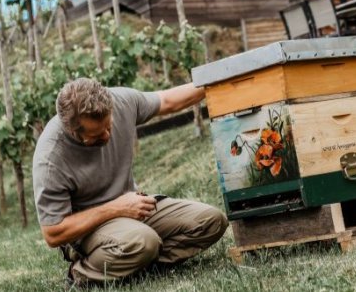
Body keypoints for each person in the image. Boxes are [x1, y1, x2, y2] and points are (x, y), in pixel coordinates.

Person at [32, 77, 228, 285]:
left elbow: (169, 100)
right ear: (73, 131)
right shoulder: (51, 158)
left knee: (212, 221)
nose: (107, 135)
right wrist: (115, 209)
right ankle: (81, 274)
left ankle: (137, 263)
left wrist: (219, 77)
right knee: (143, 241)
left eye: (109, 126)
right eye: (97, 135)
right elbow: (53, 233)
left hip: (133, 211)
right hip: (88, 230)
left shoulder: (120, 101)